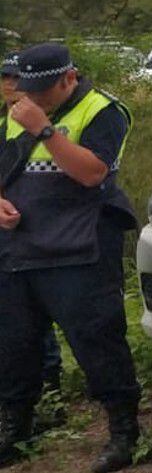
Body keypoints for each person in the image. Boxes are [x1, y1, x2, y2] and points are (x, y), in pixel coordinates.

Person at [0, 43, 142, 473]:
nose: (33, 96)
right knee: (14, 343)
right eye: (27, 88)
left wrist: (45, 130)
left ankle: (123, 432)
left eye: (43, 88)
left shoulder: (104, 111)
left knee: (97, 339)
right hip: (20, 246)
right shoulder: (17, 111)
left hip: (81, 247)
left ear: (70, 77)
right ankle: (16, 429)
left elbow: (93, 173)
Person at [0, 53, 64, 416]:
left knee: (36, 324)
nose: (11, 84)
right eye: (5, 77)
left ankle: (50, 396)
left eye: (16, 77)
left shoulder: (44, 120)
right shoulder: (4, 124)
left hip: (41, 236)